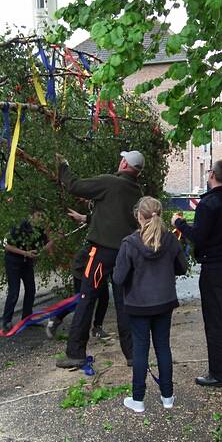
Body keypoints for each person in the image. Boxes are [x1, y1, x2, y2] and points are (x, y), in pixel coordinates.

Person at [55, 150, 144, 369]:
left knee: (86, 298)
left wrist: (63, 166)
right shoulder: (137, 192)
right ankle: (133, 354)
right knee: (125, 304)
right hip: (126, 254)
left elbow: (75, 185)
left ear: (124, 163)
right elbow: (114, 217)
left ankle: (75, 353)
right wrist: (87, 218)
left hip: (101, 253)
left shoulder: (109, 183)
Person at [172, 158, 222, 388]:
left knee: (215, 321)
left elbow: (198, 237)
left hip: (214, 267)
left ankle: (219, 373)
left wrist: (180, 224)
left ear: (212, 175)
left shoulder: (209, 204)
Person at [113, 197, 187, 413]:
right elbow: (182, 268)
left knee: (140, 351)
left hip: (138, 305)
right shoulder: (171, 240)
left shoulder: (129, 243)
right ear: (160, 214)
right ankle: (167, 397)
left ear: (139, 216)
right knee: (163, 347)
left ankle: (138, 400)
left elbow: (118, 278)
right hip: (164, 302)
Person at [46, 208, 110, 341]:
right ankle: (56, 318)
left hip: (99, 266)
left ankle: (97, 328)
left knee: (104, 296)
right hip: (83, 266)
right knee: (80, 300)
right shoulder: (105, 220)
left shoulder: (111, 221)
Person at [0, 210, 52, 335]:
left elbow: (45, 245)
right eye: (38, 215)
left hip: (27, 262)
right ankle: (7, 321)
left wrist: (50, 241)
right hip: (13, 260)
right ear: (31, 215)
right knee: (14, 291)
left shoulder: (39, 229)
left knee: (31, 289)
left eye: (42, 216)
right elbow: (6, 245)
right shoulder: (19, 226)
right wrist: (26, 253)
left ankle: (27, 318)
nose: (41, 218)